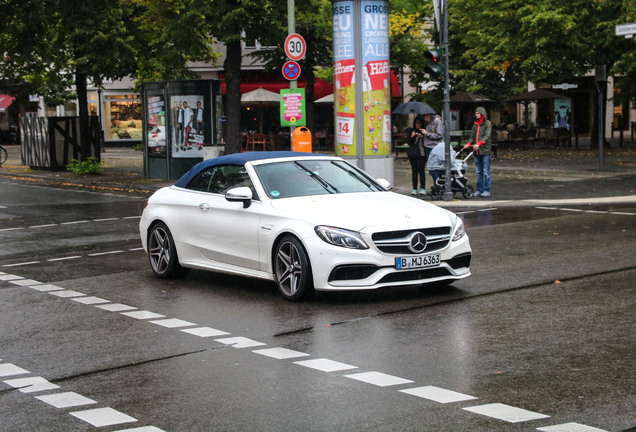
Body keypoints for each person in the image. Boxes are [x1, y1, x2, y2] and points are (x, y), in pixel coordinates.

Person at [464, 106, 492, 197]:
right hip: (477, 151)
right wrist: (468, 143)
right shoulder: (475, 124)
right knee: (479, 171)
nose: (476, 115)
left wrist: (479, 143)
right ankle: (479, 189)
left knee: (486, 171)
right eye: (476, 113)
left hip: (485, 151)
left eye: (478, 113)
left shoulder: (488, 124)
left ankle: (487, 190)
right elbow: (472, 136)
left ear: (482, 114)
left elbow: (486, 136)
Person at [406, 117, 427, 195]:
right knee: (414, 171)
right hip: (413, 154)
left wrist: (423, 137)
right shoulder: (411, 131)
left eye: (419, 123)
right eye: (416, 123)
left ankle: (422, 188)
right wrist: (412, 136)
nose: (418, 125)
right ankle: (414, 188)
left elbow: (428, 142)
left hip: (422, 153)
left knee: (421, 170)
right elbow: (409, 142)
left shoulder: (424, 131)